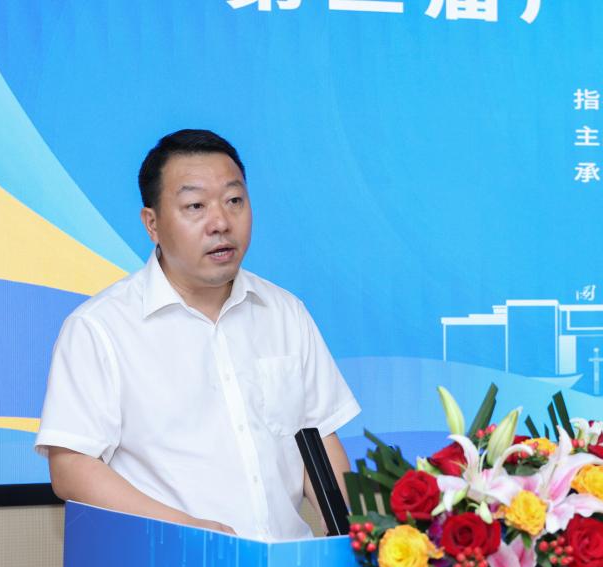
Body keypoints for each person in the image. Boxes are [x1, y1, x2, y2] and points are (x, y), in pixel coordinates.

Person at [35, 129, 360, 540]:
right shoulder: (100, 328)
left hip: (284, 565)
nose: (221, 222)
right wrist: (190, 533)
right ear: (152, 224)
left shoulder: (285, 313)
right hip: (170, 564)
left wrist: (357, 539)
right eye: (195, 206)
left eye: (234, 200)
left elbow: (319, 439)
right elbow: (71, 467)